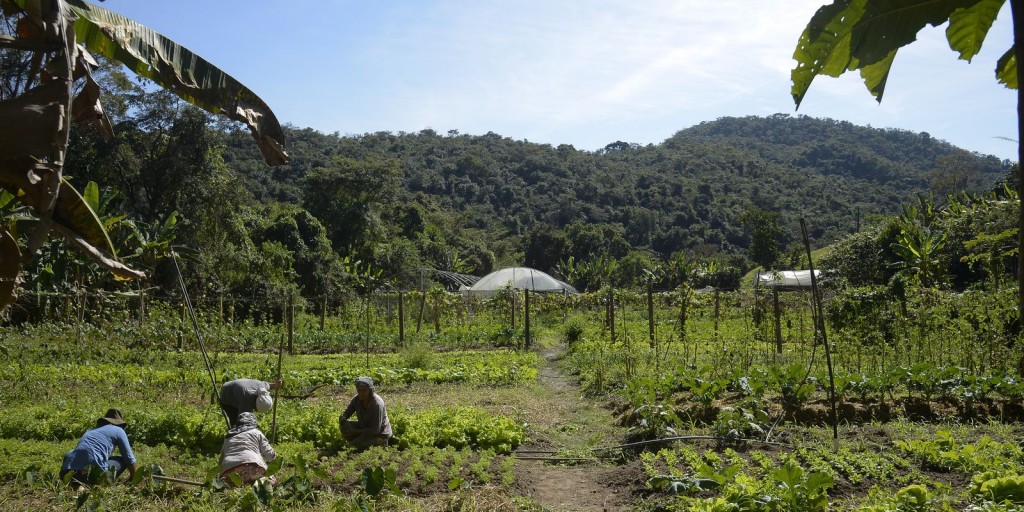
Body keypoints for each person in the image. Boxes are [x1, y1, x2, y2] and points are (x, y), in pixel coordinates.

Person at [60, 408, 137, 485]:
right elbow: (129, 457)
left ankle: (70, 480)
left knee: (71, 452)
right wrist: (134, 478)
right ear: (119, 423)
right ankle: (99, 481)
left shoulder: (91, 430)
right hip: (92, 476)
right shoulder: (118, 430)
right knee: (122, 460)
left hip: (67, 474)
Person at [219, 412, 277, 486]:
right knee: (271, 479)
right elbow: (270, 456)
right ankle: (256, 485)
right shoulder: (256, 432)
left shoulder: (228, 437)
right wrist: (276, 461)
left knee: (234, 484)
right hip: (252, 465)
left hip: (228, 472)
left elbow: (220, 462)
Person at [338, 376, 392, 450]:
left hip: (379, 434)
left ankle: (381, 443)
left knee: (352, 447)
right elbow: (348, 411)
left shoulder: (377, 404)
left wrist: (355, 432)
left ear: (370, 390)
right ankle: (359, 440)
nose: (361, 393)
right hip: (365, 428)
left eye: (364, 390)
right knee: (345, 426)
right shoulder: (357, 399)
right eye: (359, 390)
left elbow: (375, 430)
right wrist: (344, 417)